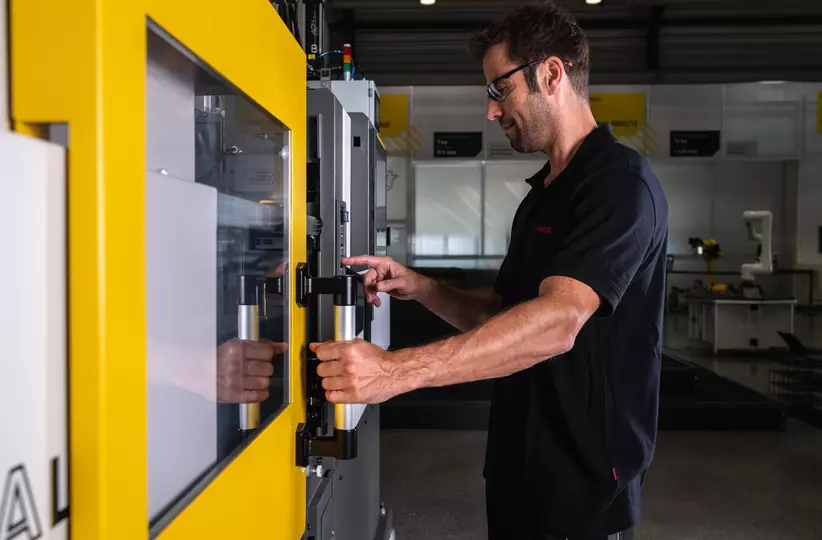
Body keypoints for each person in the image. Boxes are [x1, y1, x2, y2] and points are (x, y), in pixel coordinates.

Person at [310, 2, 669, 539]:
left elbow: (556, 322)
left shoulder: (618, 185)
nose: (492, 111)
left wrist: (392, 373)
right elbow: (507, 314)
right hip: (518, 466)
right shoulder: (544, 195)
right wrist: (422, 287)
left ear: (551, 74)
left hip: (583, 487)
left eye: (500, 90)